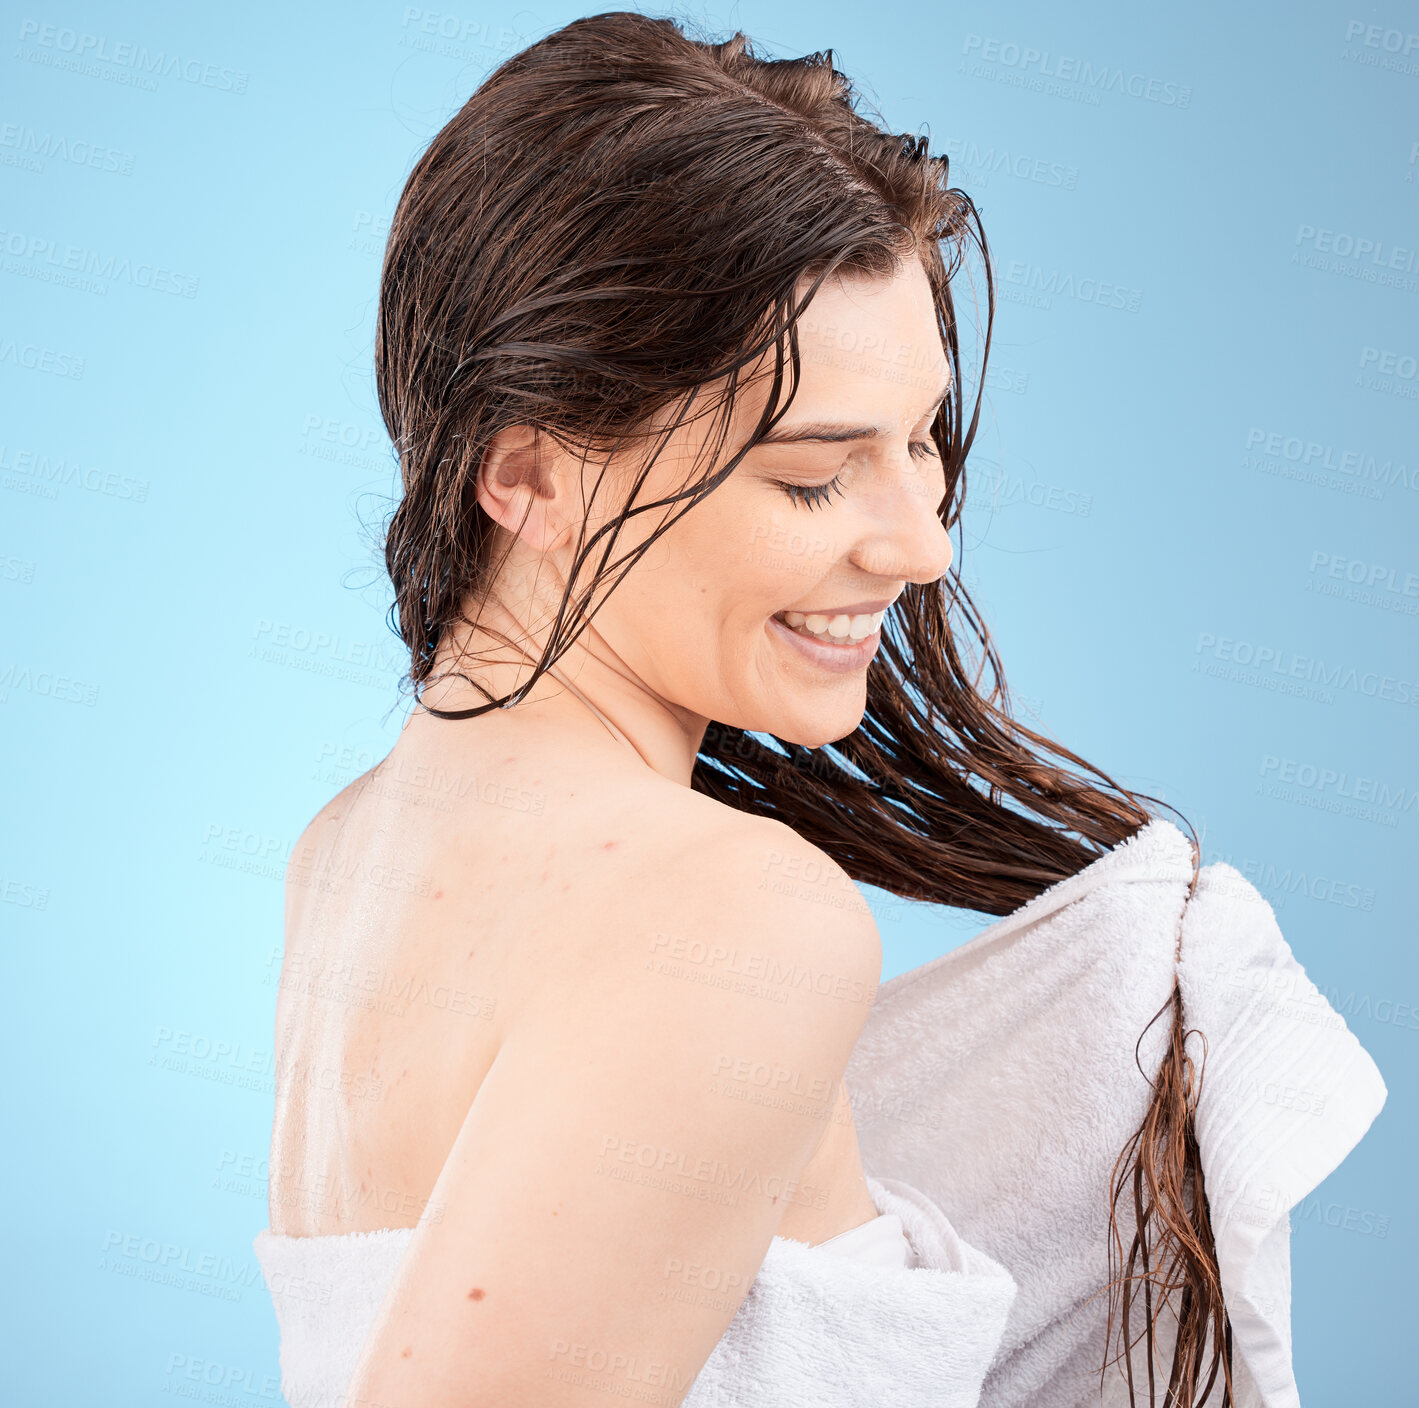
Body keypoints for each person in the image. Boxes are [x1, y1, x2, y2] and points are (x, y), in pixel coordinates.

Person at [260, 11, 1228, 1404]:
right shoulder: (732, 917)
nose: (920, 545)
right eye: (813, 477)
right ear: (523, 473)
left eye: (921, 444)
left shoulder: (349, 851)